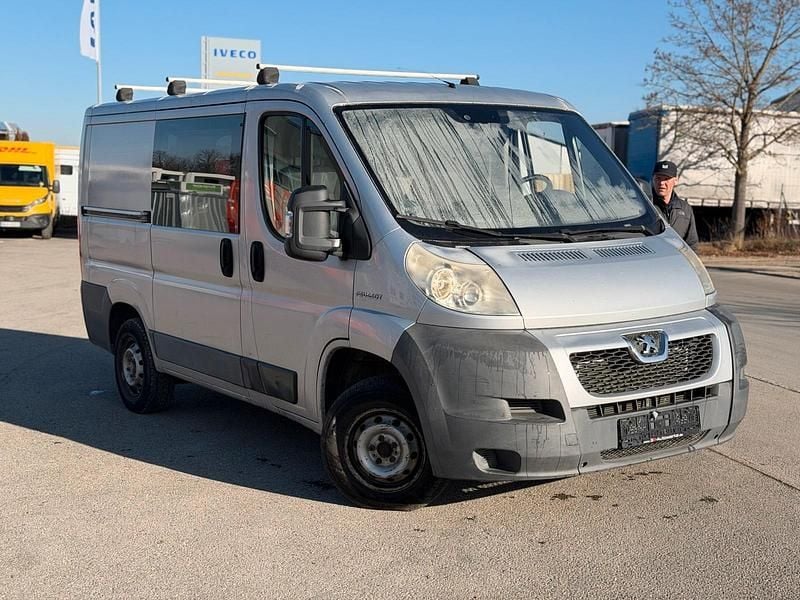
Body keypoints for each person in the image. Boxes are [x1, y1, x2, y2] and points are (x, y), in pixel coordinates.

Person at [650, 160, 699, 250]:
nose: (661, 183)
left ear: (675, 181)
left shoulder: (685, 209)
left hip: (676, 261)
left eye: (666, 179)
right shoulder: (646, 206)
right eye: (658, 178)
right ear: (653, 179)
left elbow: (692, 243)